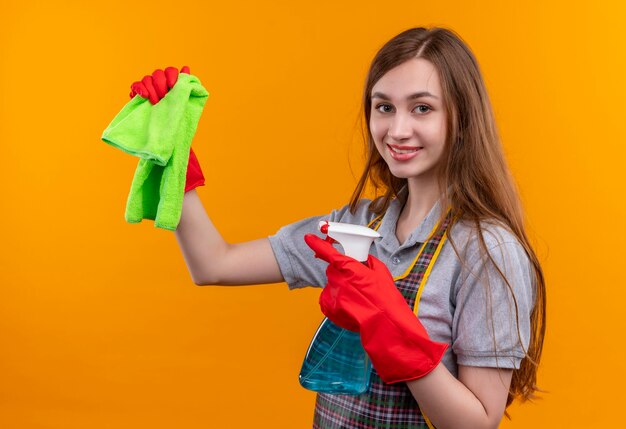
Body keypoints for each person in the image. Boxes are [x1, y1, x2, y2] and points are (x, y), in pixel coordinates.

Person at [129, 27, 546, 429]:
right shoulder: (355, 228)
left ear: (463, 119)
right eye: (384, 107)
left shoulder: (487, 250)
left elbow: (478, 422)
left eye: (422, 108)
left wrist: (397, 335)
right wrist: (175, 159)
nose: (397, 130)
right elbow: (214, 265)